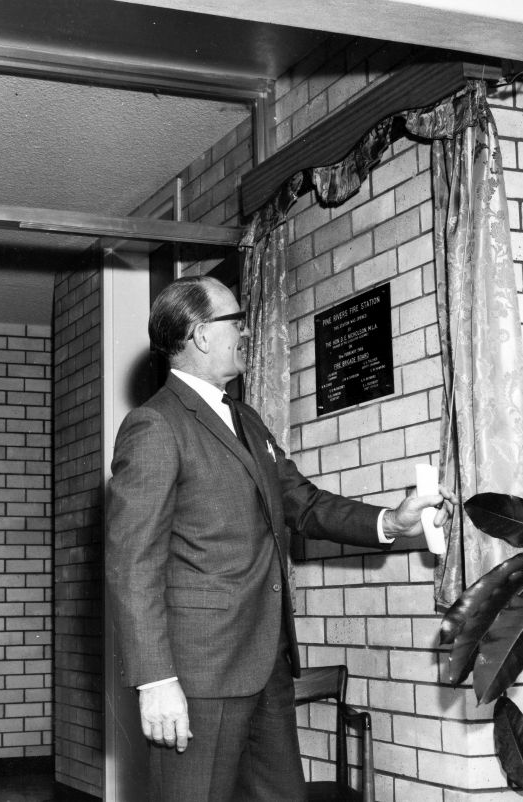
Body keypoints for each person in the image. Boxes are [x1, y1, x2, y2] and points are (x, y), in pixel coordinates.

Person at [105, 275, 457, 802]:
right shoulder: (155, 424)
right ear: (201, 334)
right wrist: (155, 681)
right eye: (236, 321)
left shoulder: (245, 418)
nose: (246, 331)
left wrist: (391, 521)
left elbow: (304, 503)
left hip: (267, 666)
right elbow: (132, 563)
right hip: (199, 678)